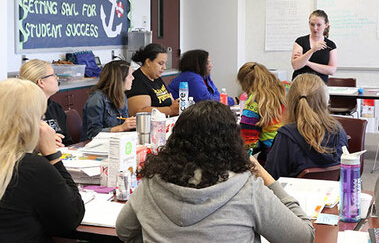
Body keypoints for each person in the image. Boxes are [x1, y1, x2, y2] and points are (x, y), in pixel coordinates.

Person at [115, 101, 314, 243]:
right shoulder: (246, 188)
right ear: (232, 143)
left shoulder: (152, 182)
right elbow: (303, 237)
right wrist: (267, 178)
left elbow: (124, 232)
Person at [0, 79, 84, 241]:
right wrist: (52, 155)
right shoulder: (29, 167)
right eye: (40, 117)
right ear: (29, 122)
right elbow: (72, 217)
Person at [265, 74, 348, 180]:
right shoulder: (338, 131)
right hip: (331, 194)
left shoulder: (286, 136)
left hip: (292, 195)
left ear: (290, 101)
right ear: (324, 101)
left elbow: (272, 178)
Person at [237, 62, 286, 163]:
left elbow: (249, 142)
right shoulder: (285, 90)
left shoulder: (254, 101)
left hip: (271, 157)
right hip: (293, 152)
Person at [19, 59, 73, 146]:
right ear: (41, 82)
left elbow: (67, 141)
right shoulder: (21, 111)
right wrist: (43, 144)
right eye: (53, 75)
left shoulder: (55, 108)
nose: (57, 78)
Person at [81, 60, 136, 140]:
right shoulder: (97, 99)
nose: (133, 78)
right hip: (94, 145)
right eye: (130, 76)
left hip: (115, 142)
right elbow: (93, 134)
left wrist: (133, 124)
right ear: (120, 79)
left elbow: (124, 125)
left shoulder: (122, 96)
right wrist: (121, 128)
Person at [127, 43, 179, 116]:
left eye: (165, 63)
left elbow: (169, 99)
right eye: (161, 63)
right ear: (148, 62)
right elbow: (140, 112)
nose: (164, 67)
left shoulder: (156, 78)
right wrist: (170, 110)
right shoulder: (137, 81)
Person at [167, 49, 236, 104]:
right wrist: (233, 101)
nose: (211, 66)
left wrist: (229, 101)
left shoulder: (205, 76)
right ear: (197, 64)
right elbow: (206, 100)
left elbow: (216, 94)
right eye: (207, 63)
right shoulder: (191, 77)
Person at [291, 9, 337, 83]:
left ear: (326, 25)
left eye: (319, 25)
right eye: (312, 24)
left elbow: (331, 70)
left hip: (320, 86)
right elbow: (296, 65)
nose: (315, 28)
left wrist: (307, 63)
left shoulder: (330, 45)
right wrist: (312, 50)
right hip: (299, 84)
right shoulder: (300, 41)